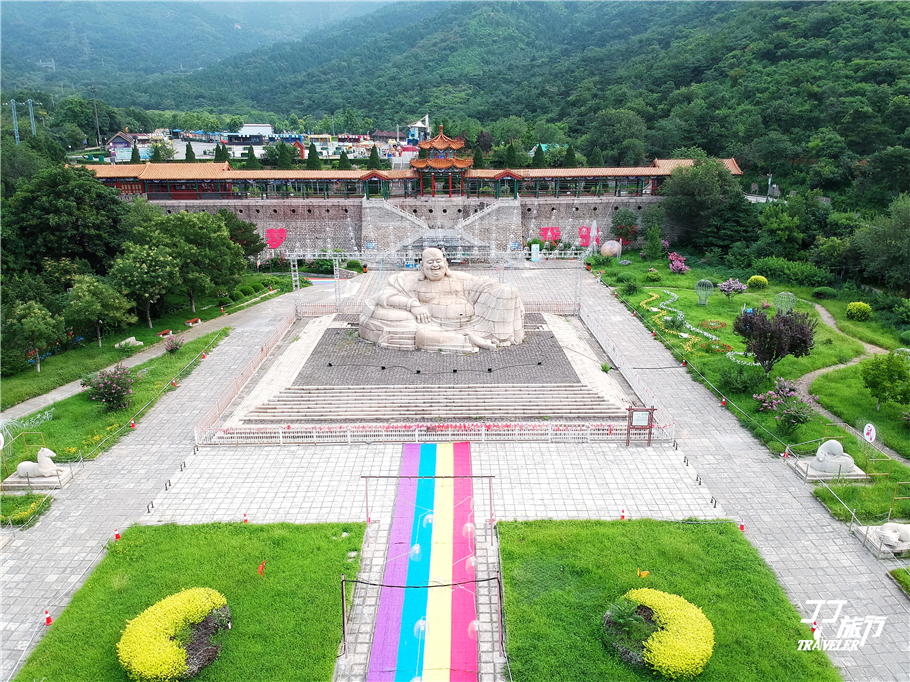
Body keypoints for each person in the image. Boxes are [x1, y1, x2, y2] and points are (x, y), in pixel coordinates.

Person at [359, 248, 524, 352]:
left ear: (445, 264)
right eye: (430, 262)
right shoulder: (410, 281)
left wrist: (505, 291)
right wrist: (413, 305)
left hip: (473, 322)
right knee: (420, 333)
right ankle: (466, 339)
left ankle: (475, 336)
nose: (435, 265)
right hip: (434, 325)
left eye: (438, 261)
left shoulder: (458, 278)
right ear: (422, 266)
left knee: (508, 291)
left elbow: (483, 285)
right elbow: (384, 296)